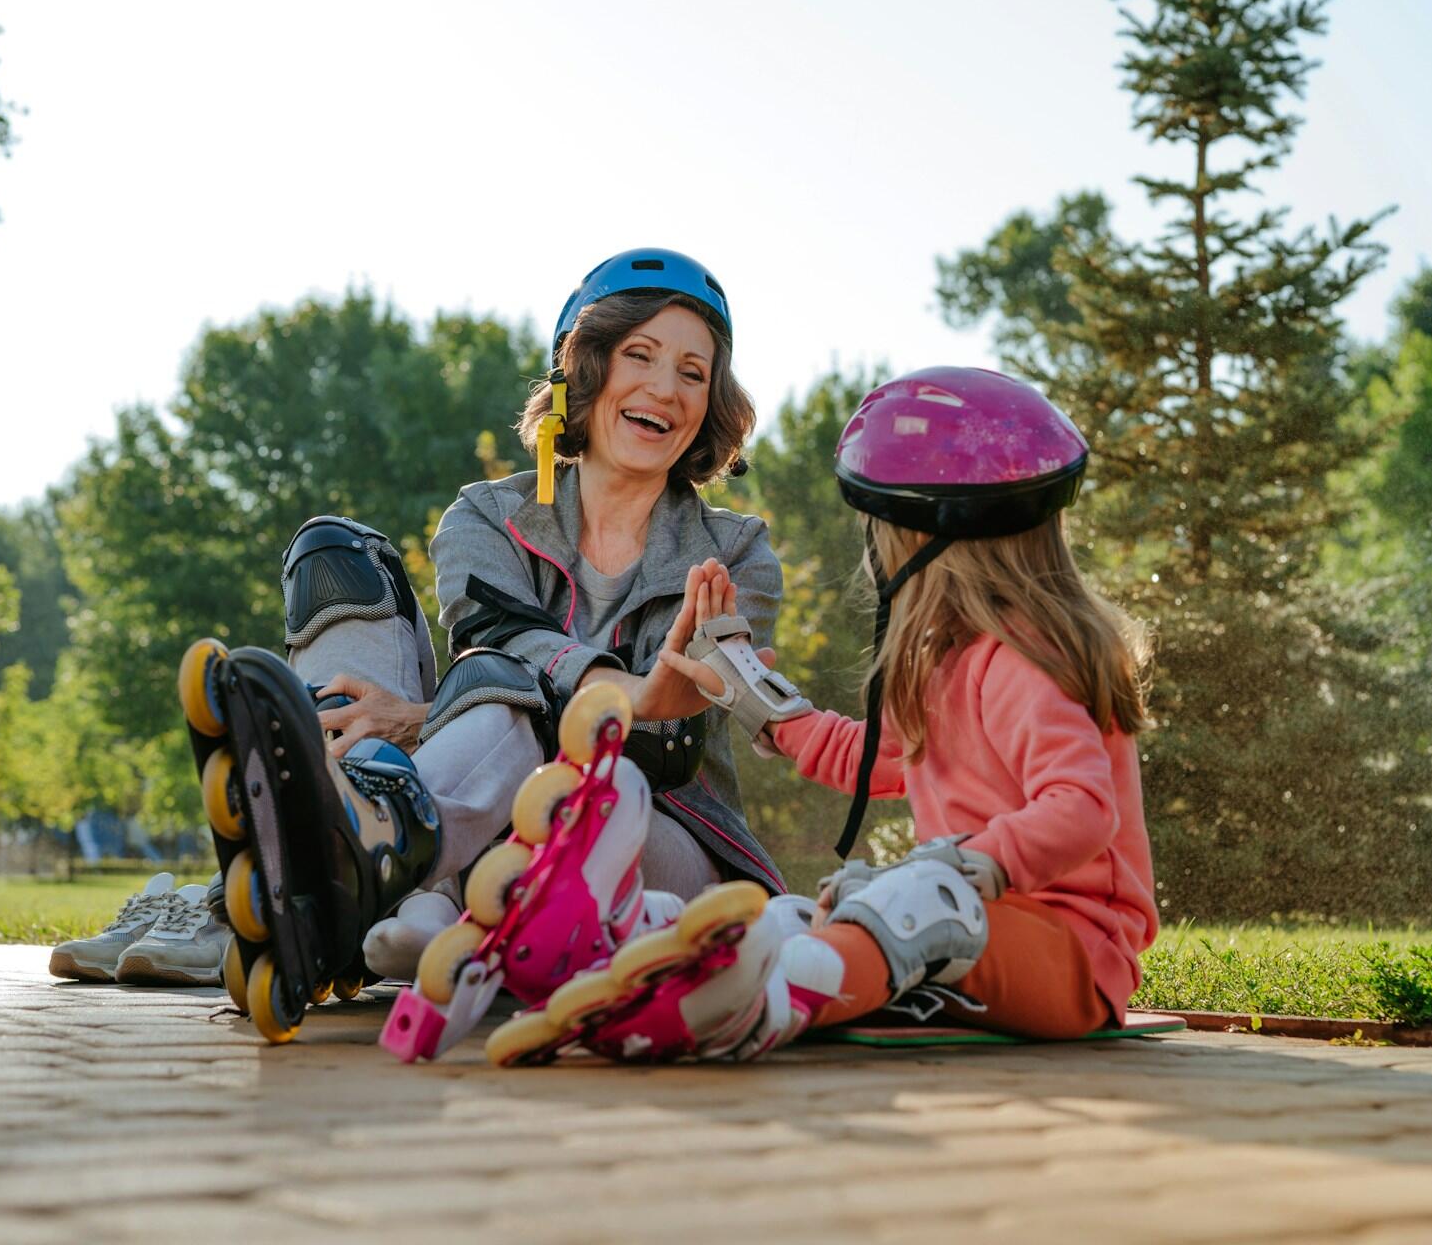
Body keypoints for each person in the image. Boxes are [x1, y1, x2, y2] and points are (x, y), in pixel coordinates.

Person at [188, 249, 787, 1041]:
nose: (665, 389)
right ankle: (379, 878)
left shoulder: (737, 551)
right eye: (639, 356)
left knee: (505, 689)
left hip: (649, 830)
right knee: (339, 558)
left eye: (692, 373)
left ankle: (352, 877)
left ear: (711, 403)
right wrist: (616, 690)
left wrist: (423, 718)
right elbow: (498, 637)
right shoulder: (485, 517)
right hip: (486, 810)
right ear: (584, 368)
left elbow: (667, 738)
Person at [485, 367, 1159, 1064]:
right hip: (976, 935)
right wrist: (748, 690)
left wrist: (960, 866)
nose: (875, 552)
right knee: (790, 916)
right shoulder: (953, 661)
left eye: (882, 530)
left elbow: (1082, 808)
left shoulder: (1026, 659)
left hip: (1075, 957)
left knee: (910, 896)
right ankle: (654, 967)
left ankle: (751, 1003)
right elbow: (873, 759)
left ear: (938, 535)